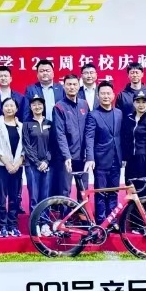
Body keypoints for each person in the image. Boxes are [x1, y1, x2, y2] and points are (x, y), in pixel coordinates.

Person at [84, 81, 125, 218]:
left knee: (114, 192)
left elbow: (121, 135)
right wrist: (90, 158)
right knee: (100, 192)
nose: (106, 96)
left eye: (108, 93)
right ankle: (101, 221)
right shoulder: (93, 115)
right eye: (103, 94)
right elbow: (89, 137)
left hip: (116, 159)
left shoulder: (119, 113)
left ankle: (111, 220)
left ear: (113, 95)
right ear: (98, 96)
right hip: (101, 160)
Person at [25, 58, 65, 195]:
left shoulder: (60, 89)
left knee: (57, 168)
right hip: (39, 133)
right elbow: (26, 113)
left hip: (57, 132)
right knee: (41, 168)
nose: (45, 73)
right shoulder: (31, 89)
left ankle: (57, 200)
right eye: (41, 71)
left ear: (53, 72)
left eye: (47, 70)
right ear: (37, 74)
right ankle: (42, 201)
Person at [0, 96, 26, 237]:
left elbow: (25, 147)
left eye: (12, 106)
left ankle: (13, 225)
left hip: (17, 166)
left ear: (16, 109)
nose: (9, 108)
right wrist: (7, 163)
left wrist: (17, 163)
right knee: (1, 197)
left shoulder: (21, 126)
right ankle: (3, 226)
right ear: (2, 108)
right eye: (6, 106)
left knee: (15, 197)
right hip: (1, 166)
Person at [53, 72, 89, 199]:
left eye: (74, 84)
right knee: (65, 191)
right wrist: (66, 156)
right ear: (64, 86)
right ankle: (65, 212)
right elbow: (60, 134)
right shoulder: (59, 107)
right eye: (69, 84)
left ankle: (82, 212)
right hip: (66, 157)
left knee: (83, 191)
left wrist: (89, 154)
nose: (72, 87)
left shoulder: (84, 104)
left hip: (83, 156)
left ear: (79, 86)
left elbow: (89, 131)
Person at [121, 91, 146, 203]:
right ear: (133, 103)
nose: (141, 105)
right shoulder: (129, 118)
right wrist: (124, 158)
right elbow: (125, 139)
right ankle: (132, 214)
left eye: (144, 102)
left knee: (145, 192)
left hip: (145, 161)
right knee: (131, 190)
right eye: (138, 102)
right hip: (131, 161)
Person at [22, 95, 53, 217]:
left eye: (39, 104)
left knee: (45, 195)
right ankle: (35, 223)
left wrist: (46, 161)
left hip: (47, 164)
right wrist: (37, 162)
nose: (37, 107)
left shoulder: (50, 123)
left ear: (43, 106)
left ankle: (45, 221)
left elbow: (53, 145)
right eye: (34, 104)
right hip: (31, 165)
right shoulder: (26, 124)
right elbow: (26, 145)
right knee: (34, 195)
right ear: (30, 107)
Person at [0, 65, 26, 132]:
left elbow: (23, 116)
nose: (3, 78)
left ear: (10, 79)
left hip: (16, 131)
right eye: (0, 76)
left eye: (5, 76)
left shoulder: (20, 97)